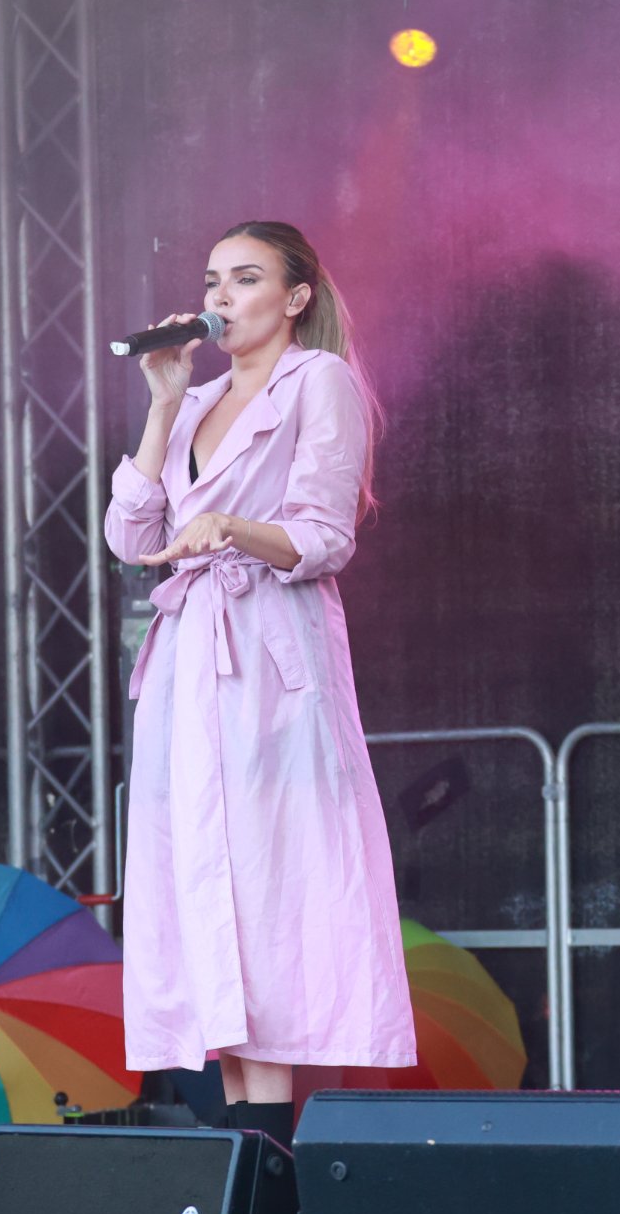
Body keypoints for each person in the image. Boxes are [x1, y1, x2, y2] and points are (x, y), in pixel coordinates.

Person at [104, 221, 416, 1146]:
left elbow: (326, 534)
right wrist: (163, 403)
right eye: (213, 279)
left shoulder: (318, 381)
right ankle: (254, 1160)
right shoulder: (194, 399)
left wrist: (233, 528)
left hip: (268, 665)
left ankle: (269, 1163)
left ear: (295, 297)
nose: (221, 297)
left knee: (265, 894)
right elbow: (130, 537)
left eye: (245, 279)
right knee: (207, 891)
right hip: (186, 667)